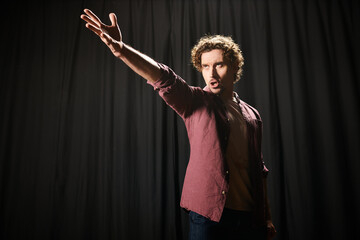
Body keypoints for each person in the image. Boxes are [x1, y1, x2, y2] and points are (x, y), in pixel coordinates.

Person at [80, 9, 276, 240]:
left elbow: (259, 169)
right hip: (209, 215)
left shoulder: (252, 114)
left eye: (219, 65)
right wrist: (121, 50)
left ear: (235, 67)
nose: (211, 73)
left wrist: (266, 216)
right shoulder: (195, 101)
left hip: (249, 217)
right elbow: (163, 77)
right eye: (205, 66)